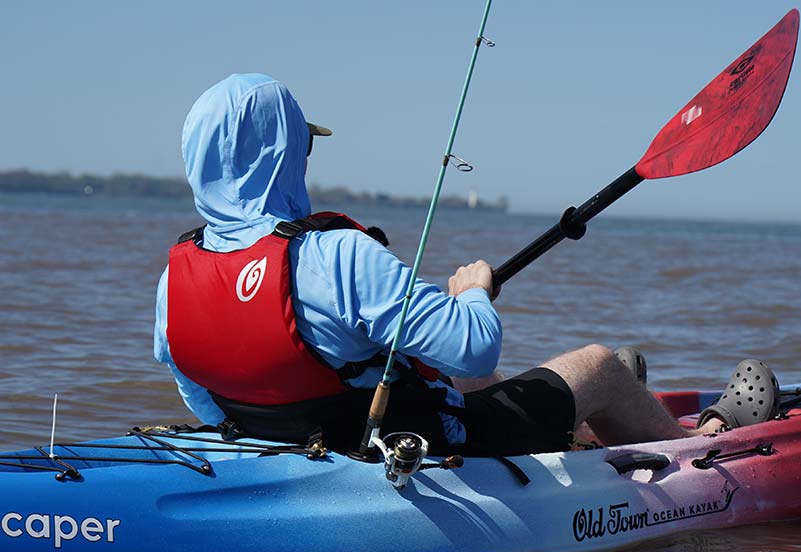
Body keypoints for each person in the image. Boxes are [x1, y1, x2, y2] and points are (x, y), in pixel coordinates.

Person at [154, 73, 780, 456]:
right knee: (598, 365)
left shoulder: (175, 278)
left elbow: (199, 391)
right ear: (285, 154)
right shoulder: (334, 253)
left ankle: (588, 425)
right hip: (406, 445)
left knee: (461, 380)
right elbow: (474, 345)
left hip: (310, 440)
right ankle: (701, 447)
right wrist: (474, 293)